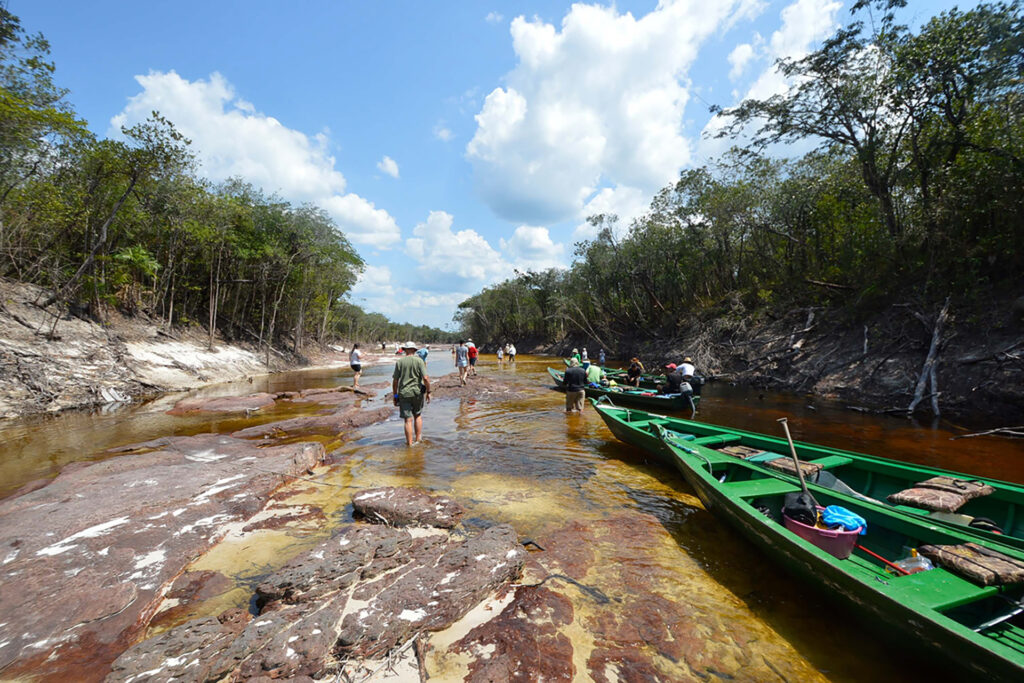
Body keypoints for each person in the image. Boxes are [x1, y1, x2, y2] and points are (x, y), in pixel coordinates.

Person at [393, 341, 431, 446]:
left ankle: (409, 444)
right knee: (417, 416)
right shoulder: (419, 361)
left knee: (407, 420)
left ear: (405, 350)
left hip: (404, 393)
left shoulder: (400, 362)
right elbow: (426, 378)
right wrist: (428, 392)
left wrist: (395, 395)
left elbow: (395, 381)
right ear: (414, 350)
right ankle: (418, 440)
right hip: (417, 392)